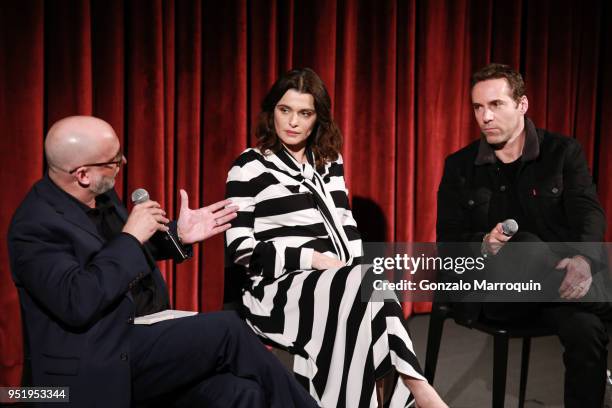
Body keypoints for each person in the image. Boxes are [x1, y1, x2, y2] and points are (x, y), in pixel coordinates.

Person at [7, 115, 319, 408]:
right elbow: (79, 300)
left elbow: (114, 257)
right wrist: (131, 237)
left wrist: (177, 236)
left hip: (140, 340)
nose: (122, 165)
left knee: (241, 393)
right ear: (83, 175)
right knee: (227, 329)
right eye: (114, 161)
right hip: (94, 363)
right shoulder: (35, 226)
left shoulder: (101, 195)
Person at [224, 68, 447, 408]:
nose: (293, 122)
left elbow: (347, 224)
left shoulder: (329, 162)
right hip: (279, 289)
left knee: (365, 295)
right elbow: (241, 250)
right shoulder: (249, 166)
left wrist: (353, 270)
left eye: (305, 113)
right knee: (363, 294)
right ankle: (418, 388)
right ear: (272, 112)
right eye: (285, 110)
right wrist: (311, 258)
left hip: (338, 280)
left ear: (318, 119)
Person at [437, 63, 610, 407]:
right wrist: (484, 245)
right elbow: (448, 243)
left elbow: (588, 212)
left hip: (555, 292)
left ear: (522, 105)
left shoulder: (563, 152)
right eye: (477, 107)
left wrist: (583, 260)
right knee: (526, 246)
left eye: (496, 104)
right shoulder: (460, 166)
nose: (484, 116)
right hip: (496, 294)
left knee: (587, 328)